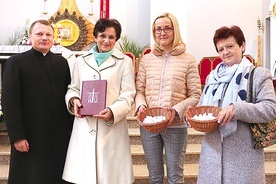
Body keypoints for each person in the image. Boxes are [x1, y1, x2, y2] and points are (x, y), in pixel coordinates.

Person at [196, 25, 276, 184]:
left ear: (242, 45)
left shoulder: (258, 74)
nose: (225, 52)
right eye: (221, 49)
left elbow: (270, 109)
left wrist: (236, 109)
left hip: (244, 157)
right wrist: (193, 114)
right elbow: (203, 107)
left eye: (230, 46)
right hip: (211, 157)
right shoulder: (213, 77)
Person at [62, 18, 136, 184]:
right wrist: (74, 100)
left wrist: (112, 111)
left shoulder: (125, 62)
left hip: (111, 128)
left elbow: (128, 94)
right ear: (95, 36)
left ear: (116, 39)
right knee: (84, 176)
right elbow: (73, 88)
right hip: (85, 125)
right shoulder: (81, 61)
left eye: (111, 37)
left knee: (110, 177)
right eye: (103, 35)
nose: (106, 40)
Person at [2, 20, 73, 184]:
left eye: (48, 34)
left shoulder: (61, 63)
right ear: (30, 37)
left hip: (58, 135)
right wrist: (17, 136)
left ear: (54, 38)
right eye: (39, 34)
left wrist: (71, 130)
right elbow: (9, 102)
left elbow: (68, 95)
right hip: (30, 135)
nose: (44, 38)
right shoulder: (16, 62)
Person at [135, 12, 202, 184]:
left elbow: (195, 94)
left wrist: (176, 110)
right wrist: (141, 106)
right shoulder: (146, 59)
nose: (162, 32)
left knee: (175, 176)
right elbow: (139, 90)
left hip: (176, 125)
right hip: (149, 125)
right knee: (154, 176)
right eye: (158, 29)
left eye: (167, 28)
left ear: (175, 30)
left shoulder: (188, 59)